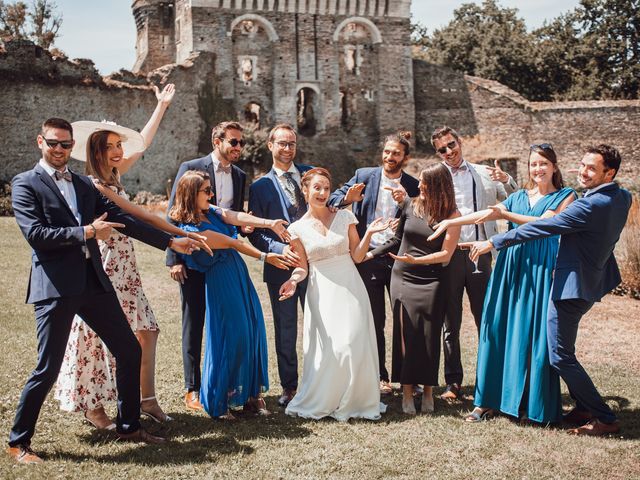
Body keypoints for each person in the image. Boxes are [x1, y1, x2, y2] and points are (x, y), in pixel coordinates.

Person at [7, 118, 202, 464]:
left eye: (65, 145)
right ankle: (19, 442)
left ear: (72, 147)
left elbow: (123, 220)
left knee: (129, 350)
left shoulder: (83, 184)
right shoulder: (25, 184)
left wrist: (172, 240)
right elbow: (36, 235)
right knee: (47, 368)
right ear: (41, 142)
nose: (59, 150)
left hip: (95, 283)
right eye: (53, 143)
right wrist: (85, 232)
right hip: (56, 287)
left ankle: (128, 425)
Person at [464, 144, 631, 436]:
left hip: (571, 286)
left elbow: (542, 228)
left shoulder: (587, 205)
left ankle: (603, 417)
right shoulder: (622, 196)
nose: (584, 171)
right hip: (591, 281)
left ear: (610, 172)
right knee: (562, 348)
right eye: (582, 165)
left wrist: (494, 242)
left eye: (592, 168)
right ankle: (582, 407)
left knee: (559, 355)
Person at [54, 85, 178, 428]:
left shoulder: (116, 174)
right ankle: (93, 406)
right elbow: (138, 218)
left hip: (127, 268)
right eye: (109, 147)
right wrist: (175, 238)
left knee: (147, 330)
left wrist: (161, 107)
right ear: (96, 151)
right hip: (106, 264)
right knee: (95, 335)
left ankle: (147, 399)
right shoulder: (94, 185)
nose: (117, 151)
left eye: (118, 145)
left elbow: (144, 141)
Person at [429, 144, 576, 423]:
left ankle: (531, 405)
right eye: (533, 164)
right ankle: (487, 402)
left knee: (533, 335)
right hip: (510, 266)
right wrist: (451, 223)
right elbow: (487, 213)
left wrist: (505, 216)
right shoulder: (519, 196)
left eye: (543, 163)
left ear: (554, 166)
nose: (538, 169)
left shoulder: (566, 196)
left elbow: (544, 223)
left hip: (540, 269)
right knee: (495, 329)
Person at [169, 171, 290, 419]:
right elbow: (234, 243)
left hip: (238, 275)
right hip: (221, 280)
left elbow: (233, 215)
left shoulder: (209, 211)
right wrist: (266, 257)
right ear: (192, 194)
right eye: (206, 190)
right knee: (229, 336)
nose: (211, 195)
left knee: (252, 330)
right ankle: (219, 400)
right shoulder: (192, 228)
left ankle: (248, 396)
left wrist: (268, 223)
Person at [279, 168, 389, 421]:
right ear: (305, 191)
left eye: (326, 188)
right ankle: (330, 398)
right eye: (316, 188)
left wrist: (370, 233)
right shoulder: (297, 229)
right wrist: (293, 282)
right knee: (331, 348)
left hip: (350, 286)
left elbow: (358, 256)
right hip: (322, 292)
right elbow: (301, 267)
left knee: (352, 343)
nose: (322, 193)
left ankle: (357, 400)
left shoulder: (345, 216)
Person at [328, 132, 419, 394]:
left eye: (396, 154)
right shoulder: (363, 176)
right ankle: (381, 376)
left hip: (400, 257)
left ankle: (407, 379)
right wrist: (349, 199)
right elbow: (333, 199)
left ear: (405, 158)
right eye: (387, 152)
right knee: (374, 319)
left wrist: (406, 204)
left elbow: (423, 215)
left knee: (404, 319)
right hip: (367, 257)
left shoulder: (413, 185)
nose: (390, 157)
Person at [365, 163, 461, 414]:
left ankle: (428, 391)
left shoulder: (452, 215)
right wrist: (370, 254)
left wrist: (417, 260)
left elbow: (446, 255)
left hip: (432, 278)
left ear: (439, 186)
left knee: (429, 336)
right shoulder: (410, 205)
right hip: (403, 278)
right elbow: (397, 240)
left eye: (424, 182)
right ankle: (407, 391)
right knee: (405, 334)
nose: (418, 186)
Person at [431, 126, 518, 401]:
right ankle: (453, 382)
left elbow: (514, 199)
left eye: (451, 145)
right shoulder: (437, 176)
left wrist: (507, 180)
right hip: (451, 253)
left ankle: (489, 378)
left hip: (480, 251)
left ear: (460, 142)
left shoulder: (483, 172)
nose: (449, 152)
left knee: (485, 319)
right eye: (442, 149)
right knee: (450, 322)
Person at [166, 121, 248, 411]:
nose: (239, 148)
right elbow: (173, 212)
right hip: (193, 256)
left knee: (224, 323)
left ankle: (225, 384)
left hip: (223, 261)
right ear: (217, 141)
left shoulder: (240, 175)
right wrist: (174, 258)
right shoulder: (192, 165)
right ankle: (192, 388)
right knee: (194, 320)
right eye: (234, 142)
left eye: (242, 143)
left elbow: (232, 216)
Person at [248, 124, 313, 407]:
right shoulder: (259, 186)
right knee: (286, 329)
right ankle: (290, 386)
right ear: (270, 145)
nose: (288, 149)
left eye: (292, 144)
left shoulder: (311, 174)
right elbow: (256, 232)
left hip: (317, 265)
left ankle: (320, 382)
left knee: (320, 325)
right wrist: (279, 249)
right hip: (280, 267)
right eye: (283, 144)